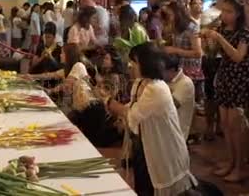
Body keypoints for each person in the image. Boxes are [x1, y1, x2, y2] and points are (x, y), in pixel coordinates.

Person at [106, 43, 197, 196]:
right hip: (146, 146)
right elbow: (132, 108)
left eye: (134, 62)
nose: (130, 65)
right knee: (143, 186)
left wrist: (108, 102)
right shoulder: (140, 82)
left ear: (146, 63)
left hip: (164, 148)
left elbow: (131, 114)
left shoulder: (157, 88)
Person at [202, 0, 249, 183]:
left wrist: (220, 39)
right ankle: (231, 161)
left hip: (239, 78)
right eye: (223, 10)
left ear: (239, 13)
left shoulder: (244, 32)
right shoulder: (222, 28)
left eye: (229, 11)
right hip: (224, 76)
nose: (225, 15)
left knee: (235, 125)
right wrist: (208, 41)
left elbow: (238, 56)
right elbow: (212, 53)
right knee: (224, 124)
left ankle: (240, 166)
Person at [44, 44, 121, 147]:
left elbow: (103, 95)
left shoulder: (112, 77)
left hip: (96, 109)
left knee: (94, 142)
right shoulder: (75, 69)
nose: (103, 60)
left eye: (107, 59)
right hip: (89, 108)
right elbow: (52, 76)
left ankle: (119, 131)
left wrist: (50, 91)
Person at [201, 0, 232, 142]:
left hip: (227, 57)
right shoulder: (209, 13)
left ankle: (221, 125)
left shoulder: (235, 14)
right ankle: (209, 125)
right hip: (212, 57)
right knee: (210, 94)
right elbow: (205, 35)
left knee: (223, 93)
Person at [163, 0, 204, 101]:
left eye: (170, 15)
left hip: (190, 69)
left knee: (188, 101)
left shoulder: (192, 27)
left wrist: (175, 50)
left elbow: (198, 53)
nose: (169, 18)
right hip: (180, 67)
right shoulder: (177, 27)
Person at [163, 53, 195, 140]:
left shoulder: (185, 83)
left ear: (172, 70)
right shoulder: (164, 80)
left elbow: (169, 107)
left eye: (162, 70)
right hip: (164, 130)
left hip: (176, 136)